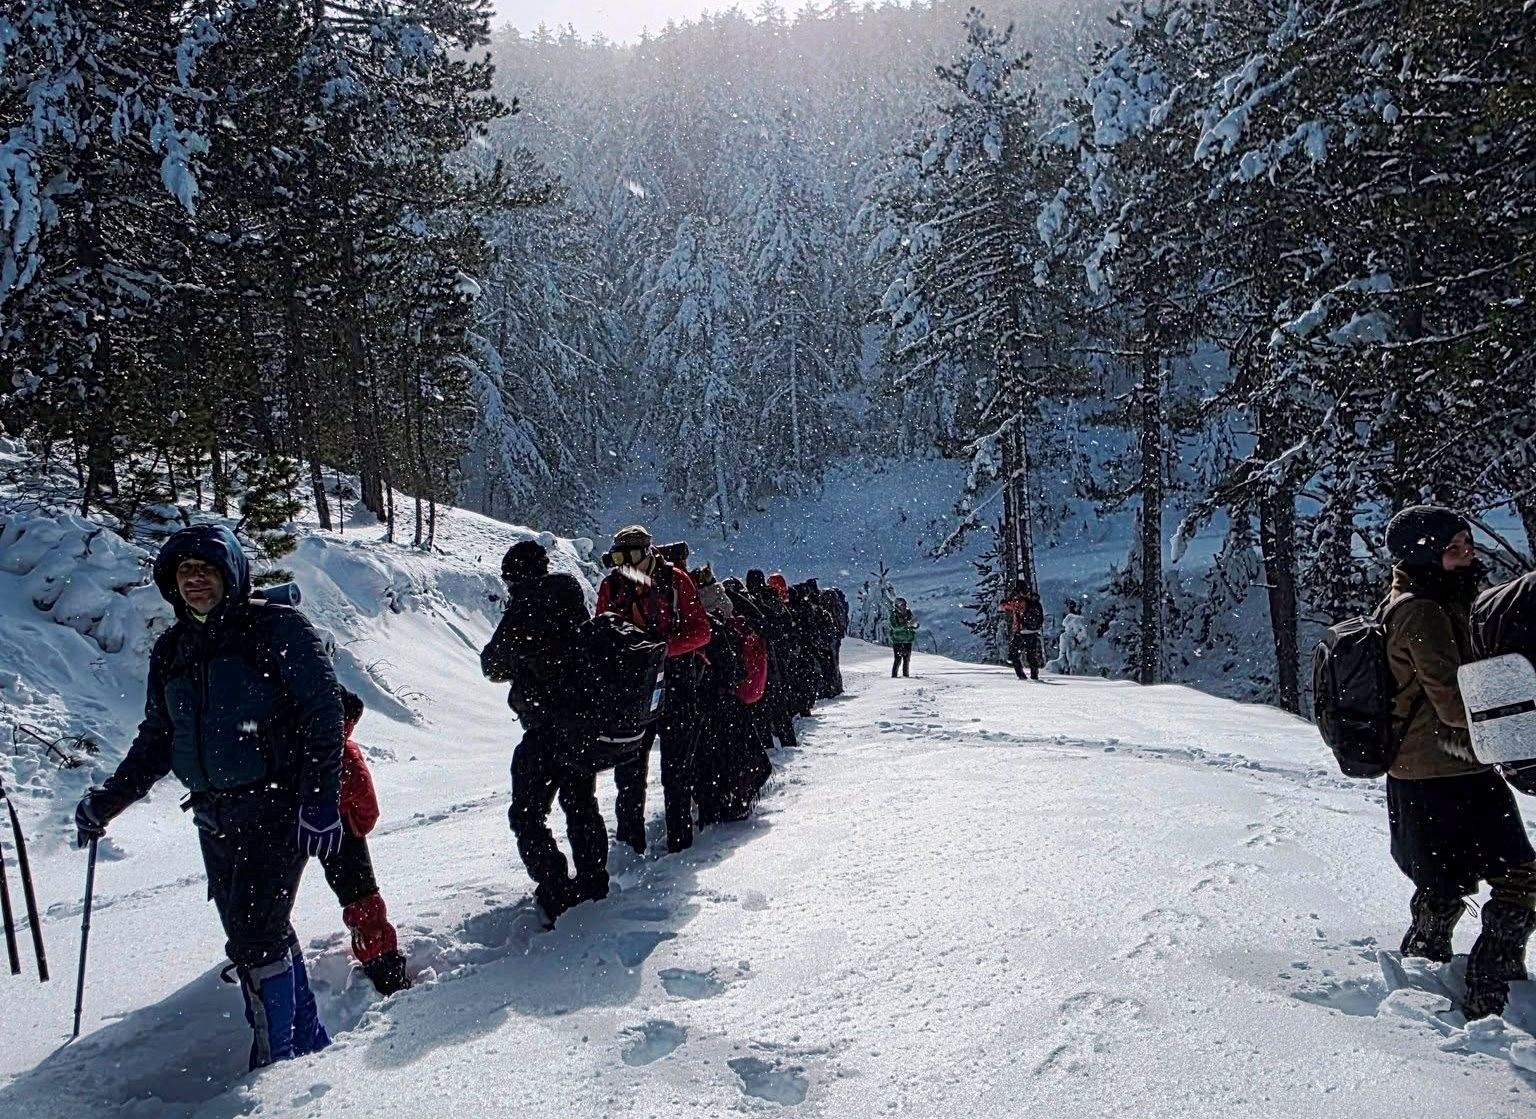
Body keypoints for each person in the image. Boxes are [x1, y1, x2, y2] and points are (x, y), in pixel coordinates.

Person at [73, 524, 342, 1068]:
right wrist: (110, 800)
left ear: (231, 575)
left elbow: (324, 714)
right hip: (213, 815)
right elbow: (158, 737)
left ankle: (275, 1064)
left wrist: (319, 800)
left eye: (207, 570)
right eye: (184, 573)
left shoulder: (275, 628)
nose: (195, 581)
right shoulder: (173, 648)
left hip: (276, 804)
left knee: (255, 936)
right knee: (255, 929)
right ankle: (308, 1038)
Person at [1381, 505, 1536, 1020]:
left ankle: (1425, 966)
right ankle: (1492, 985)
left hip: (1429, 770)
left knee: (1443, 881)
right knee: (1520, 876)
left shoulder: (1424, 600)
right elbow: (1453, 699)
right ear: (1423, 555)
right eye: (1453, 548)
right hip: (1448, 767)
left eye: (1467, 542)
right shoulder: (1422, 611)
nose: (1467, 553)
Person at [481, 540, 611, 924]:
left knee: (526, 813)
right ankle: (593, 881)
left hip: (544, 728)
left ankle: (555, 887)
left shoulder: (524, 606)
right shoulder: (570, 596)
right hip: (581, 723)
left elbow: (492, 665)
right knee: (581, 804)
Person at [596, 526, 711, 854]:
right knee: (629, 773)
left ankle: (679, 843)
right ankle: (629, 846)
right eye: (619, 558)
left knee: (676, 771)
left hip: (674, 682)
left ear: (648, 552)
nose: (625, 565)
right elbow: (601, 630)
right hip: (632, 687)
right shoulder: (612, 585)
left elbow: (701, 632)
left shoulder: (674, 581)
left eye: (631, 557)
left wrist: (660, 649)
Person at [319, 688, 411, 995]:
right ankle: (384, 966)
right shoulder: (343, 751)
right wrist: (358, 824)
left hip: (309, 823)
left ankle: (384, 968)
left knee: (358, 899)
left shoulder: (309, 745)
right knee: (361, 901)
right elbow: (367, 803)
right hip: (341, 831)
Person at [1000, 581, 1045, 681]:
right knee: (1031, 656)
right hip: (1033, 632)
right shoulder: (1035, 601)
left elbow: (1005, 606)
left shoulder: (1020, 602)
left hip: (1022, 632)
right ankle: (1034, 676)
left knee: (1013, 655)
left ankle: (1021, 676)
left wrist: (1007, 600)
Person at [1055, 599, 1091, 676]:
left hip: (1075, 648)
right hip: (1071, 648)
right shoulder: (1067, 634)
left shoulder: (1078, 620)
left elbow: (1083, 634)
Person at [889, 597, 917, 678]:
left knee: (906, 659)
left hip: (908, 640)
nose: (904, 606)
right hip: (898, 640)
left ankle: (906, 675)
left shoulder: (908, 612)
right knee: (898, 659)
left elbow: (911, 622)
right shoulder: (894, 615)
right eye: (902, 605)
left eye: (904, 604)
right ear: (897, 605)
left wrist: (914, 625)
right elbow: (895, 627)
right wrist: (906, 625)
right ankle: (894, 676)